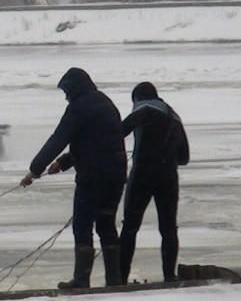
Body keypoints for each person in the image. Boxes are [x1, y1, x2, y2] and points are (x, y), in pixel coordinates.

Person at [21, 68, 127, 288]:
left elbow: (58, 138)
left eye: (67, 92)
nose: (66, 97)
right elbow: (97, 141)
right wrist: (64, 162)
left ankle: (81, 280)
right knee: (107, 224)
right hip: (116, 174)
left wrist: (35, 169)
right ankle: (114, 281)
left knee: (82, 224)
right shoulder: (105, 103)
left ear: (74, 88)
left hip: (93, 176)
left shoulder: (78, 107)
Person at [119, 82, 189, 284]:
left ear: (137, 99)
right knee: (168, 228)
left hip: (142, 174)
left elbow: (115, 134)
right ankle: (169, 276)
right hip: (168, 176)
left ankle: (120, 277)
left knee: (130, 227)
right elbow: (184, 156)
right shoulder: (173, 115)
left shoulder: (142, 110)